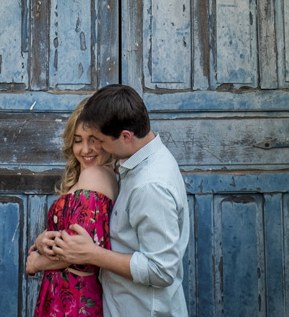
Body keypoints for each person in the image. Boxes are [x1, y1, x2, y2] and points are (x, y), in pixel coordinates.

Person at [41, 85, 190, 317]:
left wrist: (89, 254)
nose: (96, 147)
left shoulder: (150, 185)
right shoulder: (134, 166)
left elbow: (161, 270)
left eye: (99, 140)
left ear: (125, 136)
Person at [27, 97, 119, 317]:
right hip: (66, 295)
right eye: (78, 140)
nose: (85, 149)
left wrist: (36, 264)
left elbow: (78, 250)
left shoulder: (96, 174)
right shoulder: (91, 175)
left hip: (74, 300)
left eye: (93, 140)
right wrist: (42, 241)